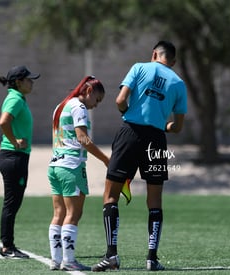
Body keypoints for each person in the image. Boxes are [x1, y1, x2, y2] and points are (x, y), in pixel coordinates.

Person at [92, 41, 188, 272]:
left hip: (129, 134)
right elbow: (177, 126)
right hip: (156, 140)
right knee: (154, 201)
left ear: (154, 54)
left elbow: (120, 101)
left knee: (111, 196)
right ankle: (152, 259)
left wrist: (128, 112)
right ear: (173, 62)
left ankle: (112, 256)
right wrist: (165, 126)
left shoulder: (139, 67)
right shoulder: (179, 83)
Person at [48, 76, 110, 271]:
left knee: (58, 213)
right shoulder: (79, 107)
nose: (96, 106)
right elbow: (82, 138)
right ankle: (69, 260)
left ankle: (56, 260)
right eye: (97, 100)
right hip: (71, 165)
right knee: (73, 214)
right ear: (89, 92)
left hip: (55, 165)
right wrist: (106, 159)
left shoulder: (61, 105)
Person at [0, 65, 40, 259]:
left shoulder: (19, 98)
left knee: (13, 202)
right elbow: (3, 122)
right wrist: (15, 141)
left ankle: (8, 245)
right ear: (18, 82)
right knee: (12, 203)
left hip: (15, 157)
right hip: (13, 156)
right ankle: (7, 247)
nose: (31, 82)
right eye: (28, 79)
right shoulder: (15, 98)